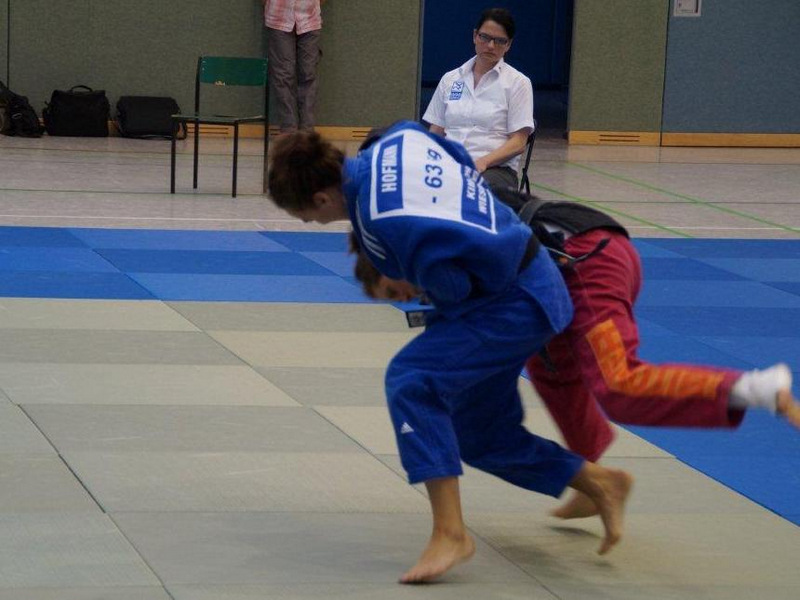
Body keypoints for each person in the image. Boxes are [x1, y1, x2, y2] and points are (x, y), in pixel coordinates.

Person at [267, 120, 632, 584]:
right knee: (478, 436)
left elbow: (453, 287)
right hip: (534, 278)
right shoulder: (396, 140)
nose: (312, 224)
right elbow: (458, 159)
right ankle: (599, 482)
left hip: (514, 304)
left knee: (411, 379)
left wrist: (424, 280)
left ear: (320, 199)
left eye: (306, 217)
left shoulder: (379, 225)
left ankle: (450, 532)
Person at [350, 190, 800, 520]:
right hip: (559, 278)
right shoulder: (435, 261)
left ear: (392, 261)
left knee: (618, 383)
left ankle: (754, 387)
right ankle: (592, 481)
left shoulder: (432, 237)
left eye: (393, 290)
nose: (406, 298)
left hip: (586, 261)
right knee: (553, 373)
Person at [423, 7, 533, 192]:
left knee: (470, 188)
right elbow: (436, 132)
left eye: (499, 41)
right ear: (475, 36)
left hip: (494, 169)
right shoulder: (450, 79)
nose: (490, 46)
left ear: (508, 45)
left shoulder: (518, 83)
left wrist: (483, 162)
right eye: (485, 37)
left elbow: (518, 142)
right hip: (449, 165)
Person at [263, 0, 326, 132]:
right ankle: (288, 130)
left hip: (310, 19)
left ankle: (307, 131)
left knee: (308, 75)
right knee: (283, 76)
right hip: (279, 18)